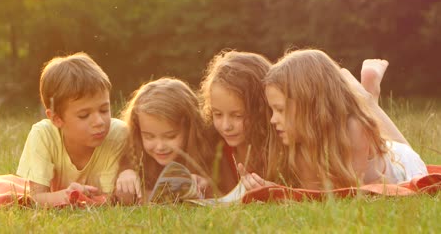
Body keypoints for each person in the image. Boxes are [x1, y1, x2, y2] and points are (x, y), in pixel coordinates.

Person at [262, 49, 427, 190]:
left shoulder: (354, 129)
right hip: (371, 151)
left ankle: (368, 99)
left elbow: (352, 191)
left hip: (400, 165)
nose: (273, 120)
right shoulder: (298, 145)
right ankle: (365, 97)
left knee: (406, 150)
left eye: (280, 110)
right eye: (273, 110)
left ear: (310, 105)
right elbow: (310, 196)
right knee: (371, 127)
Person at [16, 52, 128, 205]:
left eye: (104, 110)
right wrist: (69, 195)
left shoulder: (118, 134)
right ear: (56, 119)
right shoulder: (43, 135)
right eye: (84, 115)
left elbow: (110, 200)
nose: (99, 121)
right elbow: (36, 198)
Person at [116, 77, 213, 204]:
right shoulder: (135, 157)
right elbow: (119, 199)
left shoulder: (206, 151)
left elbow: (224, 194)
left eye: (170, 136)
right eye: (149, 136)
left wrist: (207, 187)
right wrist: (126, 177)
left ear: (189, 129)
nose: (160, 146)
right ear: (138, 132)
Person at [199, 50, 277, 193]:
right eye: (217, 114)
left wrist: (276, 191)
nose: (226, 126)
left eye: (237, 116)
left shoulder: (277, 149)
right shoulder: (217, 147)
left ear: (261, 108)